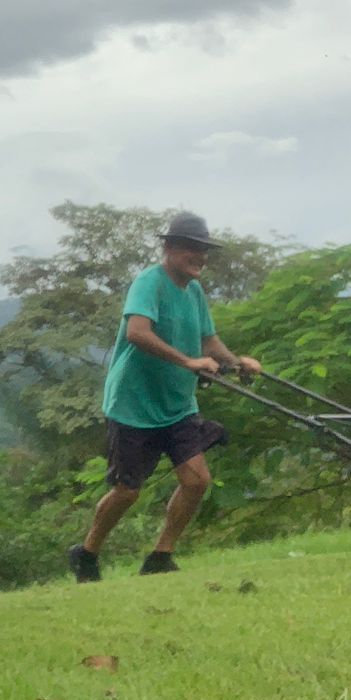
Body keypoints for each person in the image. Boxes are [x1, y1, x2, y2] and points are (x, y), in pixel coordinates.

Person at [67, 212, 261, 580]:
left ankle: (160, 556)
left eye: (204, 250)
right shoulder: (149, 282)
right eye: (192, 247)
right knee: (127, 491)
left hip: (177, 404)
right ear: (169, 247)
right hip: (133, 405)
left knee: (197, 480)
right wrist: (188, 362)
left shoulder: (194, 292)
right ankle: (87, 553)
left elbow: (208, 340)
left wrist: (237, 364)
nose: (200, 256)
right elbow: (137, 333)